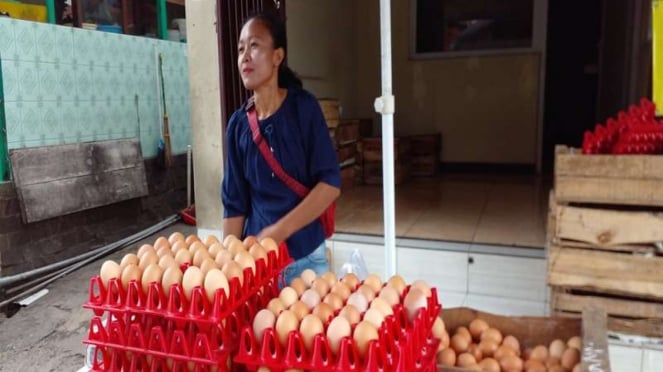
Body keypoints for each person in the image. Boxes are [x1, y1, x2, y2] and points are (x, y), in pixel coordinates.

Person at [222, 12, 341, 286]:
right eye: (241, 49)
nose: (245, 56)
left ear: (277, 56)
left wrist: (277, 232)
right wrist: (228, 260)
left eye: (254, 45)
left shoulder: (304, 108)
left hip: (306, 260)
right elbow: (234, 202)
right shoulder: (238, 126)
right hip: (258, 265)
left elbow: (330, 183)